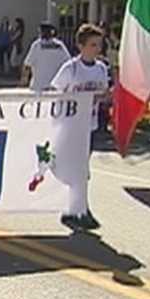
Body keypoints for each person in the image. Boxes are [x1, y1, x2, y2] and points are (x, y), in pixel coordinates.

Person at [48, 23, 110, 231]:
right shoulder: (71, 68)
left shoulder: (101, 69)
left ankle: (79, 208)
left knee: (82, 170)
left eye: (98, 45)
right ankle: (75, 208)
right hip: (69, 127)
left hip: (89, 127)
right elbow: (55, 91)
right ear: (81, 46)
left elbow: (104, 93)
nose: (96, 49)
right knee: (73, 168)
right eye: (92, 45)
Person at [21, 22, 70, 93]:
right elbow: (68, 63)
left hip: (38, 87)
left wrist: (23, 80)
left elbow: (27, 65)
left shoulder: (37, 45)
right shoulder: (59, 46)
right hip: (55, 87)